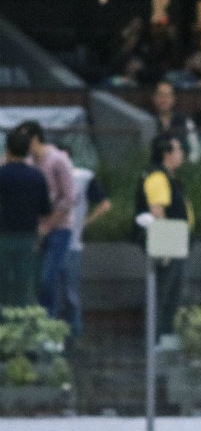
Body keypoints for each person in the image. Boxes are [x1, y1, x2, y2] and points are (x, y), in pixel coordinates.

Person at [134, 134, 193, 344]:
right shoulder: (158, 177)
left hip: (175, 240)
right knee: (165, 290)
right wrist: (169, 245)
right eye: (178, 150)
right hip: (169, 241)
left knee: (172, 290)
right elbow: (158, 210)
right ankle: (158, 336)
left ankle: (165, 334)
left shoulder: (168, 177)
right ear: (166, 154)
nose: (182, 154)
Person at [56, 145, 111, 342]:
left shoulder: (82, 177)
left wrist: (85, 222)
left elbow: (105, 204)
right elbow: (105, 204)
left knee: (62, 292)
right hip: (68, 241)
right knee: (69, 294)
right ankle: (71, 333)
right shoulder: (82, 176)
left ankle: (68, 333)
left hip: (67, 242)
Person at [24, 121, 76, 319]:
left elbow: (69, 198)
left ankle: (50, 322)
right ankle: (43, 323)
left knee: (48, 277)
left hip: (59, 227)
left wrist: (48, 224)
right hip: (36, 226)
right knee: (39, 279)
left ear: (35, 138)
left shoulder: (57, 160)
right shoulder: (29, 162)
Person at [0, 125, 51, 308]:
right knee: (24, 285)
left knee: (3, 286)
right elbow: (45, 209)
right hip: (28, 237)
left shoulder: (2, 175)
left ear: (7, 150)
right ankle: (21, 324)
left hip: (3, 236)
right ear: (28, 151)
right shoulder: (37, 176)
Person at [152, 80, 201, 163]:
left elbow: (195, 150)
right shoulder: (147, 121)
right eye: (161, 95)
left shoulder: (185, 122)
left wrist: (188, 163)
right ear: (154, 98)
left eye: (168, 95)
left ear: (173, 99)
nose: (164, 99)